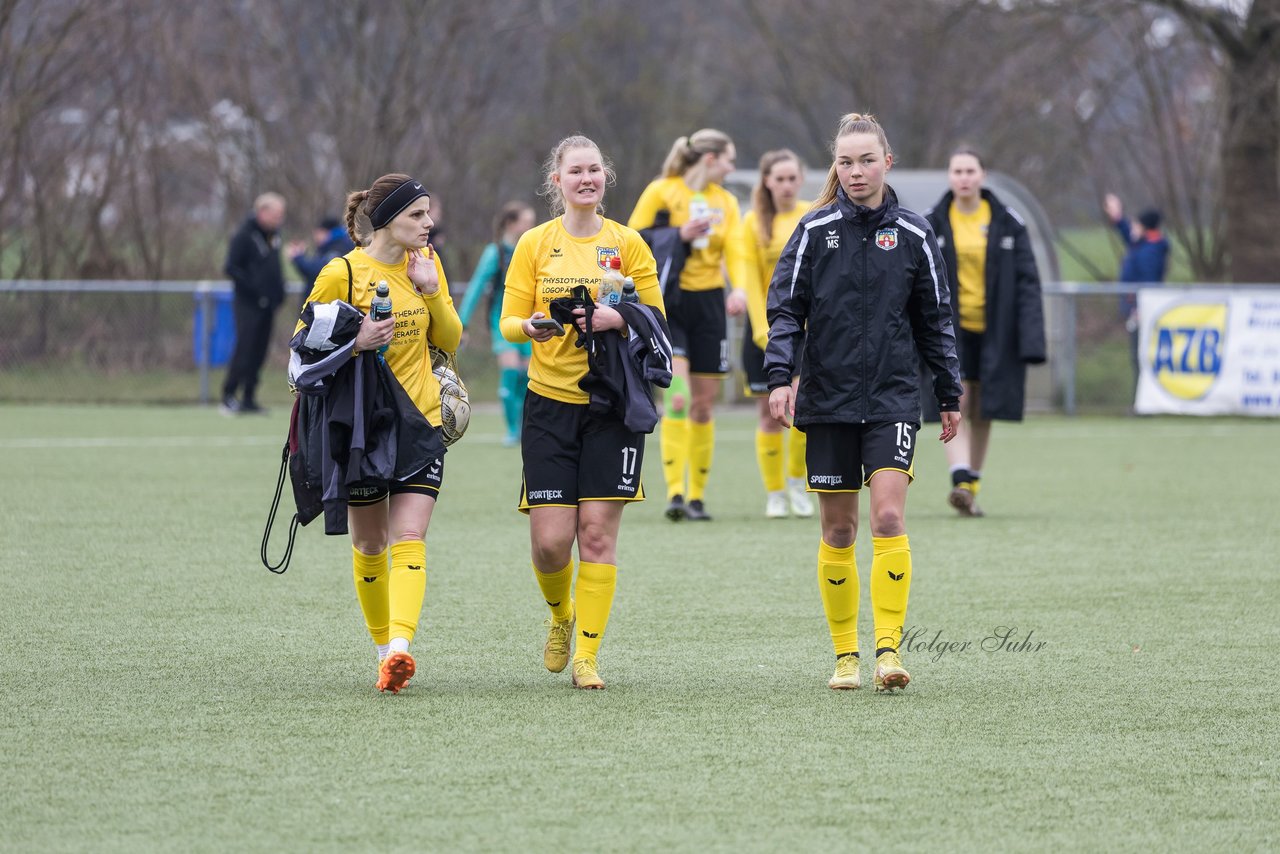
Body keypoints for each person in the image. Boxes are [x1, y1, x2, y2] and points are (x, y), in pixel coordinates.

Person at [765, 113, 963, 693]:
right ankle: (845, 656)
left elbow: (936, 320)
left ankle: (888, 652)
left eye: (866, 160)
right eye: (846, 162)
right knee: (838, 532)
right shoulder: (813, 230)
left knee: (889, 517)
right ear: (836, 167)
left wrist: (948, 390)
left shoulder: (915, 233)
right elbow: (785, 311)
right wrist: (781, 377)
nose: (856, 171)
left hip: (894, 399)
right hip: (826, 400)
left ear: (887, 162)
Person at [501, 135, 664, 690]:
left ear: (605, 177)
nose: (586, 178)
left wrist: (618, 321)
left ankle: (587, 658)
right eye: (576, 171)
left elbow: (656, 316)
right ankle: (561, 617)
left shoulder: (629, 244)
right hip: (549, 403)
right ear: (558, 181)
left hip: (612, 404)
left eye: (595, 169)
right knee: (550, 543)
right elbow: (507, 321)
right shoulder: (533, 244)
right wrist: (531, 328)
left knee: (596, 535)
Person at [297, 173, 462, 693]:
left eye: (428, 213)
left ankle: (399, 650)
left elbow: (451, 339)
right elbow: (301, 355)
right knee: (370, 545)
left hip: (422, 424)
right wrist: (358, 342)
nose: (428, 223)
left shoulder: (426, 267)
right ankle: (380, 650)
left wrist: (433, 292)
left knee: (410, 537)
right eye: (417, 215)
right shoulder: (341, 273)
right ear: (388, 219)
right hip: (363, 430)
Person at [628, 129, 744, 522]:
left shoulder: (726, 201)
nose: (732, 167)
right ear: (709, 159)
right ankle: (675, 493)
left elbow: (735, 251)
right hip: (670, 303)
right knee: (677, 398)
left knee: (703, 404)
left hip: (711, 305)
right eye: (729, 159)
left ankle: (697, 496)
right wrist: (679, 234)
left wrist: (738, 289)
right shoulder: (662, 191)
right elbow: (633, 239)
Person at [924, 149, 1046, 517]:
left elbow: (1028, 282)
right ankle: (959, 478)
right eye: (957, 170)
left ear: (982, 175)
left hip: (996, 330)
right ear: (949, 176)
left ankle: (970, 485)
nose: (964, 177)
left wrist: (1031, 339)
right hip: (949, 330)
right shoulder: (933, 221)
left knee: (983, 408)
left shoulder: (1009, 222)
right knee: (955, 400)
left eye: (970, 170)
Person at [730, 149, 813, 520]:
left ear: (801, 179)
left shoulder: (813, 215)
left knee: (802, 409)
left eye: (792, 178)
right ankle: (775, 493)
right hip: (765, 331)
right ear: (766, 181)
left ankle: (797, 484)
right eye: (779, 179)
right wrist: (765, 332)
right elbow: (746, 278)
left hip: (808, 330)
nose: (786, 185)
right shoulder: (751, 222)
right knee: (769, 415)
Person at [457, 201, 537, 446]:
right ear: (511, 224)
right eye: (526, 222)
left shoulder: (531, 248)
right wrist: (462, 324)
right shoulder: (495, 253)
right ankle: (512, 431)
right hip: (502, 321)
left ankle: (525, 429)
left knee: (527, 377)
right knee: (511, 371)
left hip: (529, 322)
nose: (531, 226)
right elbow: (476, 288)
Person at [222, 192, 287, 415]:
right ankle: (229, 395)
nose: (280, 218)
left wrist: (278, 293)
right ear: (262, 212)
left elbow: (274, 267)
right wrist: (255, 291)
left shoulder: (273, 235)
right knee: (245, 347)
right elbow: (231, 267)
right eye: (276, 214)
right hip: (248, 304)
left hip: (268, 305)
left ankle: (249, 397)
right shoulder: (244, 235)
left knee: (260, 351)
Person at [1104, 192, 1169, 388]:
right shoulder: (1142, 244)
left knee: (1141, 355)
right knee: (1135, 355)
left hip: (1142, 310)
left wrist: (1140, 307)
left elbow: (1148, 281)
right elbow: (1127, 233)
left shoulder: (1152, 249)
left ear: (1145, 228)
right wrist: (1117, 216)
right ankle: (1139, 399)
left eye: (1137, 224)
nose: (1133, 227)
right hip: (1135, 307)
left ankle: (1143, 399)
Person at [288, 214, 356, 306]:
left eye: (317, 233)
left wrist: (298, 257)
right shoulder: (332, 246)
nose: (316, 237)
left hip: (324, 306)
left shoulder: (337, 248)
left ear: (324, 232)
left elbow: (316, 270)